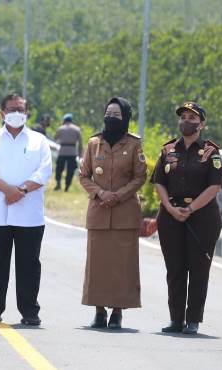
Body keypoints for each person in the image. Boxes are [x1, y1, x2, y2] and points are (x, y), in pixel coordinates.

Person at [151, 102, 222, 335]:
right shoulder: (168, 150)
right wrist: (170, 209)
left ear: (201, 124)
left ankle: (193, 320)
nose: (186, 121)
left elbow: (215, 186)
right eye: (183, 117)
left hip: (202, 217)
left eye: (192, 118)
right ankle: (176, 320)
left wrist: (191, 208)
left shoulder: (211, 152)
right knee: (175, 269)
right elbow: (159, 183)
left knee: (198, 269)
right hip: (171, 216)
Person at [0, 93, 52, 325]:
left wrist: (20, 191)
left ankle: (29, 311)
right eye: (11, 109)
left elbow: (44, 171)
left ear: (27, 113)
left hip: (29, 214)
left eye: (20, 109)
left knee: (29, 266)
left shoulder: (39, 141)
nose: (16, 114)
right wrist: (7, 190)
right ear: (2, 113)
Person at [78, 97, 147, 329]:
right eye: (108, 113)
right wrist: (100, 193)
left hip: (125, 213)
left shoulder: (134, 144)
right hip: (98, 212)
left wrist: (118, 195)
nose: (111, 118)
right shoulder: (93, 143)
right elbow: (83, 175)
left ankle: (117, 312)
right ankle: (99, 312)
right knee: (97, 265)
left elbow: (140, 176)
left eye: (116, 115)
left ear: (125, 117)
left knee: (122, 266)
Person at [54, 113, 83, 191]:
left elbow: (55, 137)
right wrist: (80, 154)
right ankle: (67, 186)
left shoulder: (60, 129)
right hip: (72, 152)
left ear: (64, 120)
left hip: (62, 151)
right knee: (70, 170)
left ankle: (58, 183)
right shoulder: (77, 129)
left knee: (59, 168)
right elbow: (80, 143)